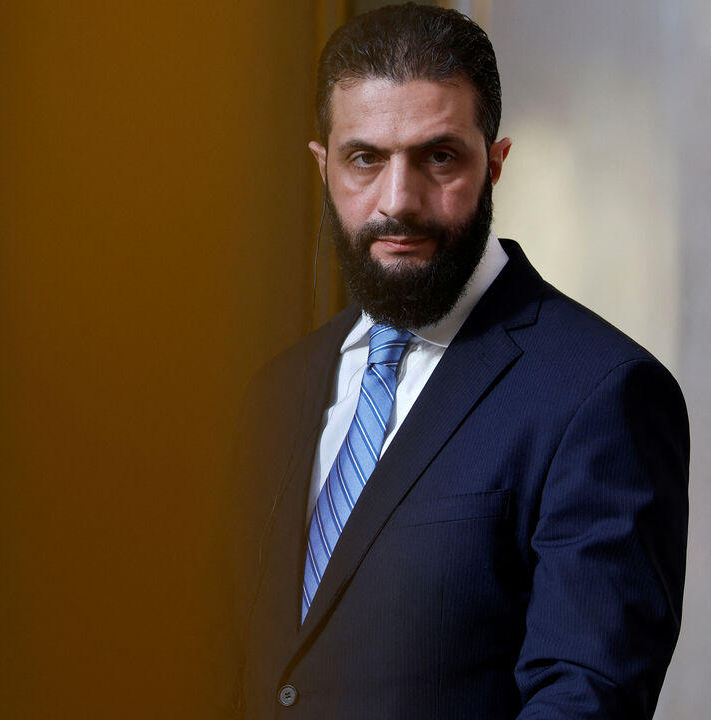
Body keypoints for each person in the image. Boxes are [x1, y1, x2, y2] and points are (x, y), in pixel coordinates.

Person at [232, 4, 689, 718]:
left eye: (438, 156)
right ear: (323, 168)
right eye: (365, 159)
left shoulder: (601, 394)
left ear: (495, 163)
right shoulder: (275, 393)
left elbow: (585, 699)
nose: (398, 201)